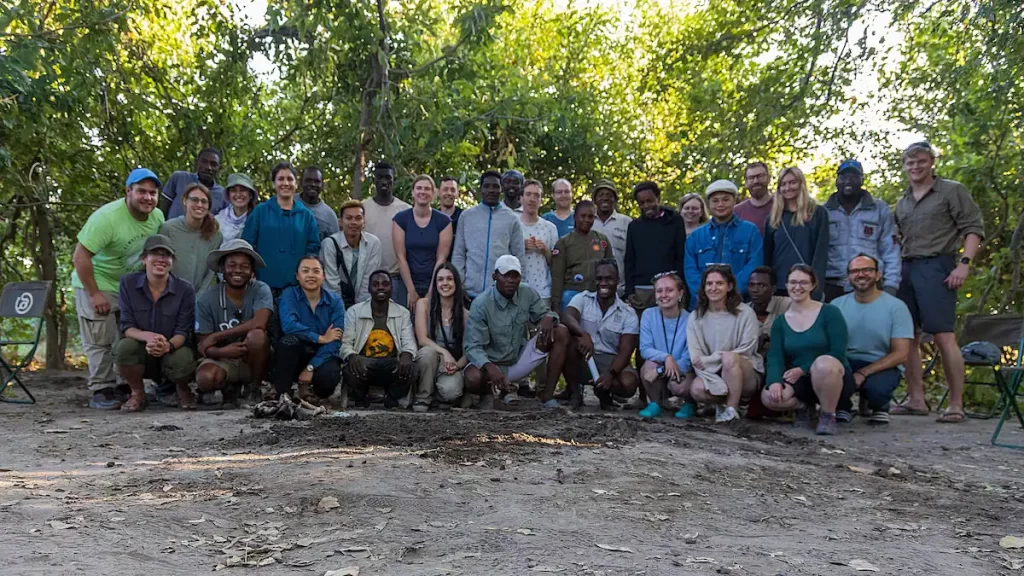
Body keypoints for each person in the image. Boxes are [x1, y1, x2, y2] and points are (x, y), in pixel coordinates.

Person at [892, 141, 984, 423]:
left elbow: (973, 228)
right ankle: (916, 399)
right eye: (910, 162)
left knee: (944, 335)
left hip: (938, 266)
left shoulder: (951, 190)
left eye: (920, 161)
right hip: (906, 268)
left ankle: (956, 404)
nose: (915, 166)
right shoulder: (902, 201)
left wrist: (963, 265)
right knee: (908, 337)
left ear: (931, 162)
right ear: (905, 166)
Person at [72, 168, 166, 410]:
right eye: (141, 192)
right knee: (100, 338)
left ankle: (126, 385)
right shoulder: (107, 218)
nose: (148, 197)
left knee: (126, 336)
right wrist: (94, 293)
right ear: (128, 192)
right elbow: (80, 257)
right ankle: (101, 389)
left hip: (129, 286)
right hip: (97, 281)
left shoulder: (157, 217)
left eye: (153, 193)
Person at [464, 255, 572, 409]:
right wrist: (490, 367)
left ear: (520, 277)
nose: (510, 280)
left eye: (515, 275)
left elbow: (546, 314)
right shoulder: (480, 304)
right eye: (505, 275)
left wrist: (549, 317)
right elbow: (472, 347)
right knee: (472, 378)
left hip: (518, 359)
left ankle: (547, 395)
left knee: (560, 332)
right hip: (491, 365)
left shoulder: (527, 292)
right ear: (495, 277)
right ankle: (489, 393)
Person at [761, 265, 855, 435]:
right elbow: (775, 357)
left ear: (813, 285)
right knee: (769, 397)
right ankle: (805, 407)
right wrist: (774, 381)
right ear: (787, 285)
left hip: (832, 376)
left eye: (803, 282)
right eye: (793, 282)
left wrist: (803, 368)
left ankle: (828, 415)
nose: (798, 287)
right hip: (801, 381)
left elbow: (838, 352)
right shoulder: (781, 322)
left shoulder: (830, 312)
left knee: (823, 364)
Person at [113, 235, 196, 412]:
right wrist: (149, 337)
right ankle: (137, 393)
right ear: (144, 259)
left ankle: (182, 390)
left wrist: (167, 346)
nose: (160, 259)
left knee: (184, 358)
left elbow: (184, 330)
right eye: (154, 254)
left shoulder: (185, 289)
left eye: (166, 255)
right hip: (142, 349)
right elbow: (127, 326)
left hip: (173, 349)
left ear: (172, 261)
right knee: (124, 348)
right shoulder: (127, 283)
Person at [832, 255, 914, 425]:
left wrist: (864, 373)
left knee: (877, 390)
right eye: (855, 271)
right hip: (846, 363)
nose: (861, 274)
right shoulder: (836, 306)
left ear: (878, 275)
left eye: (867, 270)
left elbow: (901, 354)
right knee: (827, 373)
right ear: (848, 277)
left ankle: (880, 406)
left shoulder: (896, 307)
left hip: (881, 364)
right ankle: (843, 406)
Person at [195, 239, 272, 407]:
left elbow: (260, 322)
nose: (238, 270)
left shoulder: (261, 289)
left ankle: (254, 387)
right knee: (206, 378)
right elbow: (204, 345)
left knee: (257, 336)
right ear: (222, 268)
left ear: (252, 271)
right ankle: (227, 388)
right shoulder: (206, 299)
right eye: (232, 265)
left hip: (252, 358)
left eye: (245, 266)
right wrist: (223, 351)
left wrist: (217, 336)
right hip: (222, 358)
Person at [686, 266, 764, 423]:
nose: (713, 288)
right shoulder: (696, 316)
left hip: (745, 372)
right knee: (697, 389)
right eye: (709, 284)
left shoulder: (745, 313)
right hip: (712, 372)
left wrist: (713, 358)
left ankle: (732, 410)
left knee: (729, 358)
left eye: (719, 283)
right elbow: (696, 356)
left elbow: (747, 349)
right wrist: (713, 372)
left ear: (729, 286)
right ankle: (721, 404)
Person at [561, 260, 640, 410]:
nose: (603, 283)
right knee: (566, 339)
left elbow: (625, 351)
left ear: (617, 281)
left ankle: (604, 392)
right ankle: (575, 393)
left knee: (629, 383)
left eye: (609, 279)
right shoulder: (582, 299)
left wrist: (610, 373)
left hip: (611, 361)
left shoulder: (628, 313)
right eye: (599, 278)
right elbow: (567, 316)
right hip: (583, 356)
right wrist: (582, 334)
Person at [823, 159, 901, 302]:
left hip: (869, 284)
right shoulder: (823, 212)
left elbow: (890, 249)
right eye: (843, 177)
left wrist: (891, 285)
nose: (848, 181)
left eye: (853, 177)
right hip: (832, 285)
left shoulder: (879, 209)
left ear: (862, 180)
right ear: (836, 181)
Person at [274, 255, 345, 403]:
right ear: (297, 276)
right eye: (305, 271)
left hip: (322, 354)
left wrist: (311, 367)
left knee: (330, 376)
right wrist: (320, 338)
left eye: (316, 271)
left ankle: (312, 392)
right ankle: (283, 394)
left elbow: (335, 339)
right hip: (297, 351)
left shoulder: (335, 301)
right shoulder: (289, 295)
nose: (311, 275)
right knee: (287, 342)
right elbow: (289, 325)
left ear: (323, 276)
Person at [340, 270, 417, 408]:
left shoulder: (402, 312)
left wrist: (407, 355)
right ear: (369, 289)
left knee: (412, 368)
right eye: (375, 284)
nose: (381, 287)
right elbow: (346, 343)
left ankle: (392, 398)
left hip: (390, 363)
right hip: (364, 363)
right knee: (349, 369)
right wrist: (351, 355)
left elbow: (409, 342)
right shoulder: (354, 312)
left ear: (392, 288)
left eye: (385, 284)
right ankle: (361, 397)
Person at [241, 162, 321, 294]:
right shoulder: (260, 212)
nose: (286, 183)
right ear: (274, 184)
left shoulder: (306, 216)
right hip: (262, 286)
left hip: (296, 289)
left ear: (296, 184)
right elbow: (247, 245)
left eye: (290, 179)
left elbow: (312, 249)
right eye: (280, 179)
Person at [684, 180, 763, 308]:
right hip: (703, 306)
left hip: (739, 304)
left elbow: (754, 265)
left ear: (734, 201)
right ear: (709, 204)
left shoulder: (750, 231)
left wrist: (731, 293)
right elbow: (690, 270)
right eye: (715, 201)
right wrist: (708, 295)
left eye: (725, 199)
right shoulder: (696, 236)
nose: (720, 204)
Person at [453, 171, 526, 299]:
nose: (491, 190)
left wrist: (517, 287)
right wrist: (460, 284)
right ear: (480, 189)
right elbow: (459, 254)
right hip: (469, 292)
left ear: (501, 189)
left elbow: (518, 256)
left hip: (500, 293)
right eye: (487, 186)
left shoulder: (511, 219)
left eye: (495, 186)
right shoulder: (467, 216)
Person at [763, 167, 829, 300]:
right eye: (783, 184)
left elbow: (821, 253)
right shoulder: (773, 218)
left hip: (807, 286)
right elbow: (767, 256)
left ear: (801, 184)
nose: (788, 187)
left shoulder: (817, 213)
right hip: (780, 286)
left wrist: (816, 287)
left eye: (792, 182)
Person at [624, 181, 687, 318]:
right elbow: (629, 259)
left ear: (658, 198)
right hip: (642, 289)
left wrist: (679, 285)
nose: (646, 206)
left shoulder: (675, 221)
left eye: (649, 201)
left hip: (669, 288)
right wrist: (630, 292)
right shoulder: (634, 226)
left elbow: (681, 255)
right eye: (642, 203)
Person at [638, 272, 695, 419]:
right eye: (659, 291)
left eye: (669, 290)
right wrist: (666, 357)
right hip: (661, 363)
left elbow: (689, 358)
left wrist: (661, 369)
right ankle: (655, 404)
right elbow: (645, 348)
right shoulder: (648, 315)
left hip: (682, 370)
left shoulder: (691, 320)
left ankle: (690, 403)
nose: (664, 295)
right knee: (648, 366)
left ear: (680, 293)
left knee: (679, 386)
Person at [413, 263, 469, 411]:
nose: (445, 283)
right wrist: (445, 353)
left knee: (451, 391)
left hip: (450, 365)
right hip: (429, 360)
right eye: (440, 279)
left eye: (449, 279)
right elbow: (422, 339)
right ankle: (423, 397)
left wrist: (456, 366)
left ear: (456, 283)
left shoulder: (465, 315)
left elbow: (467, 351)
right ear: (435, 283)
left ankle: (439, 396)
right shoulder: (423, 304)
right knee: (427, 352)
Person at [393, 175, 453, 308]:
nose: (423, 192)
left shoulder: (443, 221)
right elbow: (400, 256)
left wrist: (432, 290)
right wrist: (411, 290)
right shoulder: (400, 219)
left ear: (433, 194)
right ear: (413, 192)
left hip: (434, 281)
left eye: (427, 189)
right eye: (419, 188)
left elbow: (441, 258)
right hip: (406, 282)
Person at [551, 200, 614, 312]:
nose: (586, 220)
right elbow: (557, 276)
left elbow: (611, 269)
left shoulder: (602, 240)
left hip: (597, 294)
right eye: (583, 216)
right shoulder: (564, 242)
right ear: (575, 217)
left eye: (590, 217)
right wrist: (555, 304)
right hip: (571, 293)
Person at [159, 182, 223, 291]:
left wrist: (198, 300)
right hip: (170, 294)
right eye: (194, 200)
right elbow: (161, 264)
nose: (199, 205)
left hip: (199, 299)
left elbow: (210, 274)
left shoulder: (215, 235)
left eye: (204, 201)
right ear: (185, 201)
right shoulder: (168, 229)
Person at [322, 200, 381, 308]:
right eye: (349, 218)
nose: (353, 222)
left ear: (364, 222)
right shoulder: (329, 244)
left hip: (363, 304)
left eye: (358, 218)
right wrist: (339, 311)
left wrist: (359, 311)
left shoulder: (373, 243)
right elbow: (331, 284)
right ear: (340, 222)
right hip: (335, 304)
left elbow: (368, 281)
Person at [362, 162, 411, 291]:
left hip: (397, 278)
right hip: (369, 278)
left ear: (393, 180)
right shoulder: (363, 208)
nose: (384, 182)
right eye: (380, 177)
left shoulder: (405, 210)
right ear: (374, 180)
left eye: (388, 178)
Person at [518, 179, 559, 305]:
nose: (532, 199)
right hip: (517, 289)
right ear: (521, 198)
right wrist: (521, 246)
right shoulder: (513, 225)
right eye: (528, 194)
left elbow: (556, 262)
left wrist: (545, 250)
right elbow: (504, 255)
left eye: (537, 195)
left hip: (543, 291)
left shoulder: (550, 228)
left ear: (541, 200)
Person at [590, 180, 631, 295]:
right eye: (601, 195)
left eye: (609, 195)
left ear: (615, 199)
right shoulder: (587, 221)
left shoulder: (626, 222)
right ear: (594, 200)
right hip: (591, 289)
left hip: (620, 289)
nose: (605, 198)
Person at [160, 147, 226, 218]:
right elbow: (163, 209)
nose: (208, 167)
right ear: (197, 162)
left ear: (219, 168)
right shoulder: (179, 178)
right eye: (204, 162)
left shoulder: (222, 194)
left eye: (213, 164)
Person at [747, 266, 791, 356]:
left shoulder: (788, 305)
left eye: (761, 285)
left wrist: (769, 337)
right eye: (751, 285)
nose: (755, 290)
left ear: (773, 288)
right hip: (753, 362)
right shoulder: (743, 311)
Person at [299, 166, 340, 241]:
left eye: (317, 181)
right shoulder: (287, 203)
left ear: (322, 185)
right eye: (308, 180)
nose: (313, 184)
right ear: (301, 182)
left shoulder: (329, 216)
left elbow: (335, 247)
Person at [216, 173, 258, 244]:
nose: (238, 195)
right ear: (228, 195)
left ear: (250, 195)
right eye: (233, 190)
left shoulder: (258, 219)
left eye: (243, 190)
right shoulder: (218, 221)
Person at [734, 161, 773, 235]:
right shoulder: (736, 212)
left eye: (760, 176)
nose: (756, 181)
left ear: (768, 178)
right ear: (746, 182)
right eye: (751, 178)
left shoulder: (782, 206)